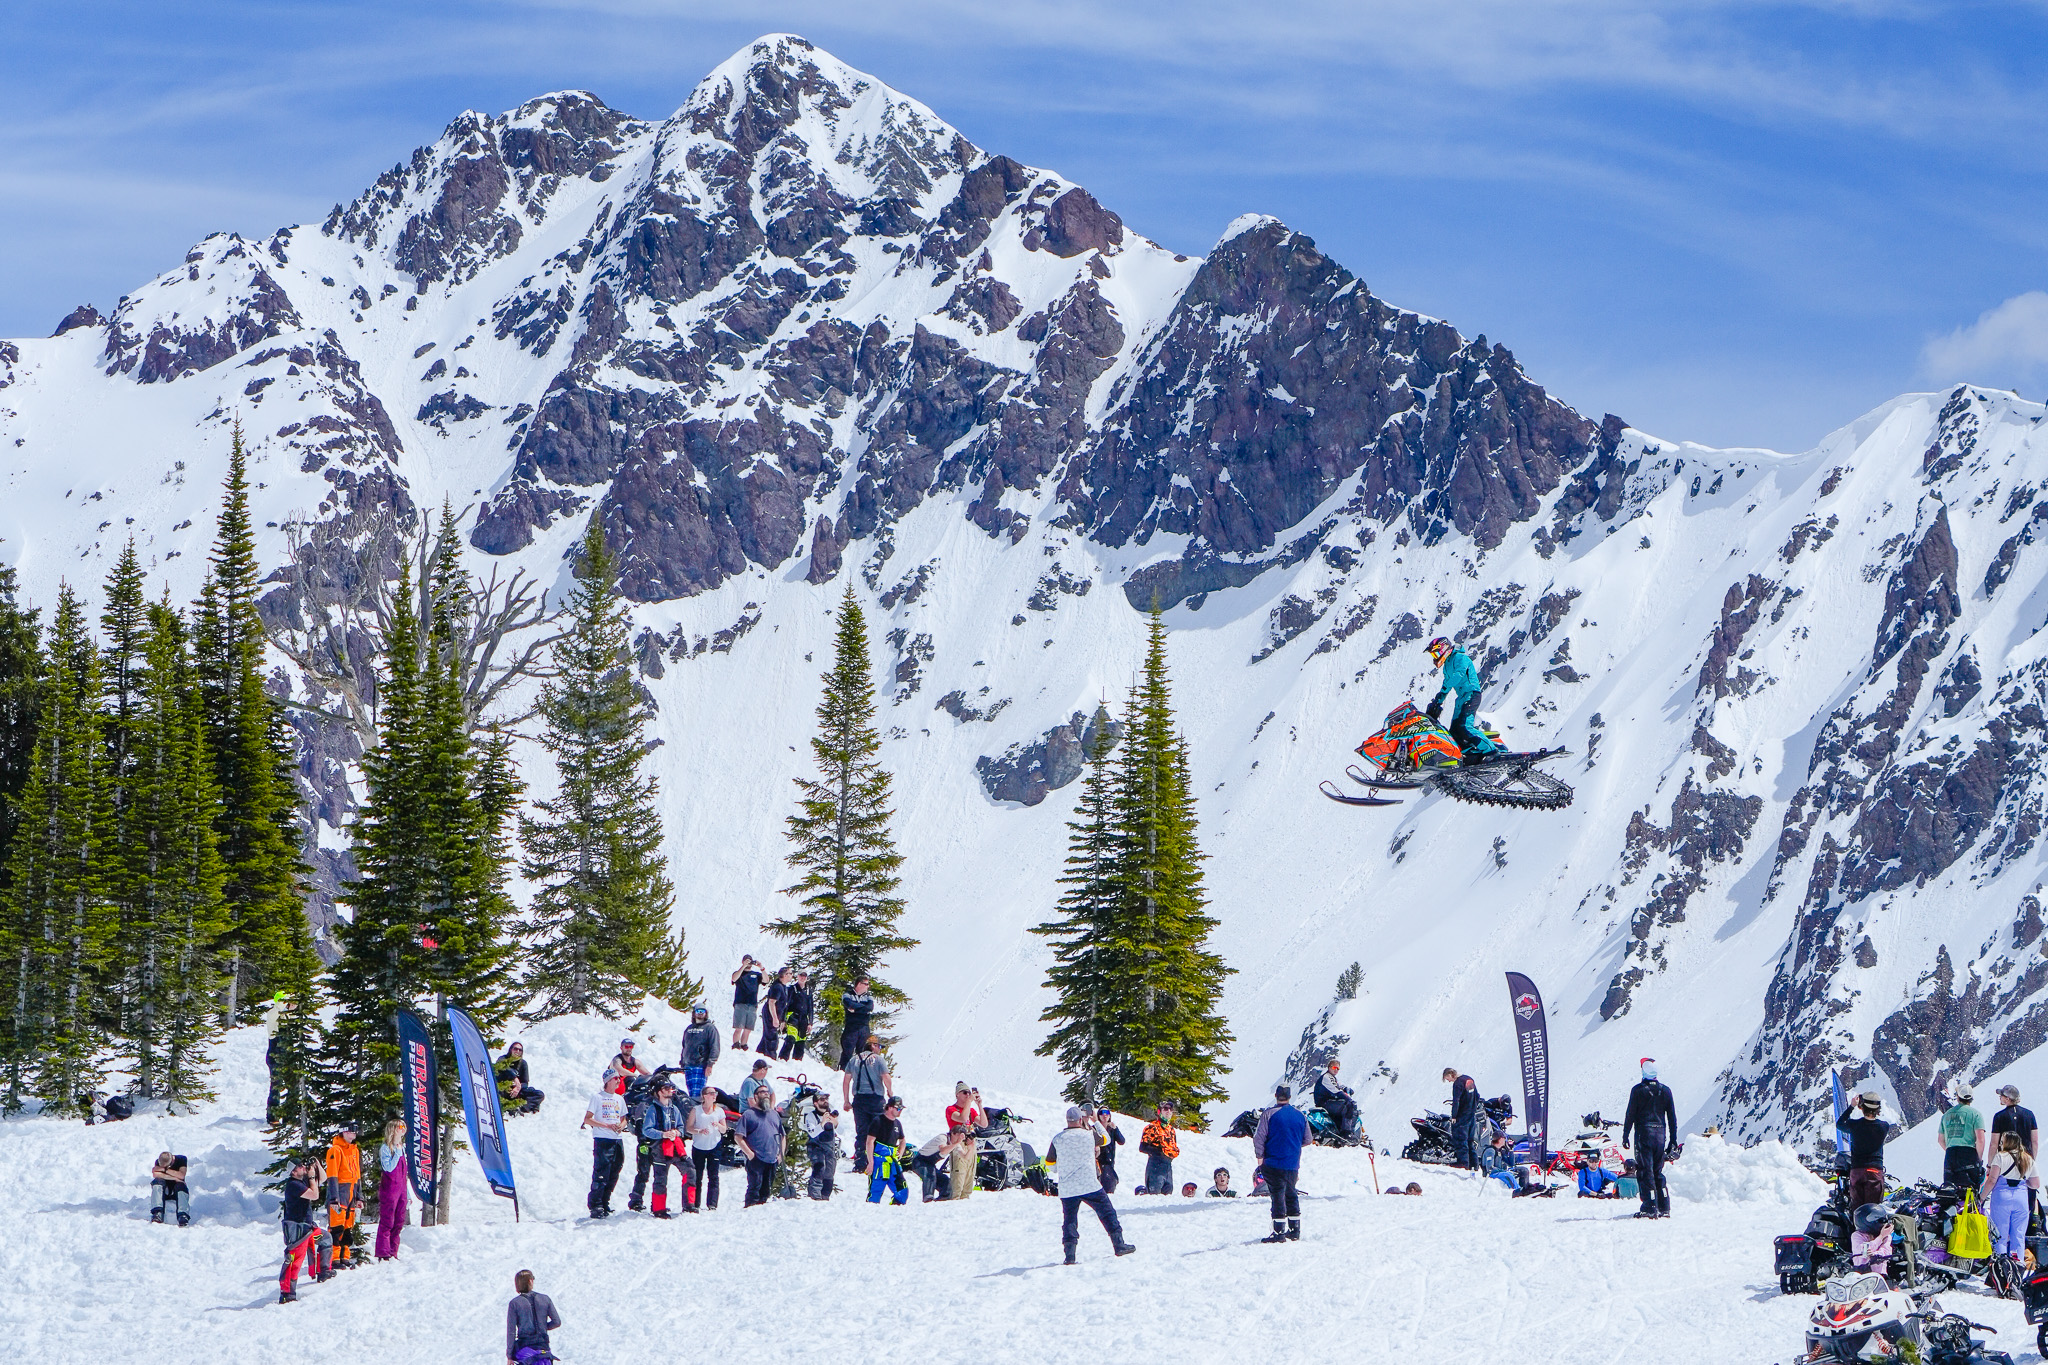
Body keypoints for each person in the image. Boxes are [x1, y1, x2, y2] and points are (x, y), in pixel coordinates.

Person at [1049, 1106, 1135, 1264]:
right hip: (1089, 1184)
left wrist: (1059, 1169)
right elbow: (1106, 1139)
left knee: (1069, 1220)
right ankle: (1119, 1245)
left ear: (1067, 1120)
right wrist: (1096, 1121)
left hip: (1068, 1188)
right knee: (1107, 1213)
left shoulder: (1057, 1139)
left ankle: (1070, 1255)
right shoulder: (1088, 1135)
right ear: (1081, 1120)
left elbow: (1050, 1163)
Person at [1425, 636, 1501, 758]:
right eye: (1434, 655)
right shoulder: (1447, 666)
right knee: (1454, 732)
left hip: (1471, 694)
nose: (1436, 658)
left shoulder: (1460, 657)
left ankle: (1492, 751)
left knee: (1465, 726)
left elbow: (1458, 675)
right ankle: (1468, 755)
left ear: (1444, 648)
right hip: (1461, 698)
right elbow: (1447, 684)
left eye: (1436, 653)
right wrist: (1438, 700)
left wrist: (1443, 691)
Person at [1621, 1058, 1677, 1219]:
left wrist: (1625, 1135)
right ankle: (1664, 1206)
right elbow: (1672, 1117)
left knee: (1645, 1171)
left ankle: (1650, 1206)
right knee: (1657, 1171)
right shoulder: (1665, 1091)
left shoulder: (1638, 1090)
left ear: (1643, 1072)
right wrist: (1673, 1140)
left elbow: (1630, 1114)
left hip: (1644, 1134)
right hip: (1661, 1135)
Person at [1254, 1084, 1308, 1243]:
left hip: (1273, 1162)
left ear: (1276, 1096)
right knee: (1291, 1193)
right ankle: (1294, 1230)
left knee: (1277, 1195)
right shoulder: (1300, 1115)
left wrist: (1260, 1156)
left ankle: (1279, 1233)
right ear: (1290, 1097)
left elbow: (1259, 1137)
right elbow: (1308, 1139)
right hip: (1292, 1163)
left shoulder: (1268, 1114)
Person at [278, 1155, 332, 1303]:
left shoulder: (301, 1181)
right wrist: (312, 1176)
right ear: (293, 1172)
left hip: (308, 1230)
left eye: (302, 1165)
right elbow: (314, 1195)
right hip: (297, 1230)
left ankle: (324, 1271)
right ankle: (287, 1293)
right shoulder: (293, 1185)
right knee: (295, 1259)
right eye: (300, 1167)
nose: (303, 1168)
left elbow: (323, 1179)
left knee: (325, 1239)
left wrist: (317, 1165)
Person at [640, 1078, 693, 1218]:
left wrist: (677, 1133)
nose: (670, 1091)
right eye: (666, 1088)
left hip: (676, 1147)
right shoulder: (652, 1109)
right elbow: (647, 1130)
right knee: (660, 1179)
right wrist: (663, 1134)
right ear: (658, 1092)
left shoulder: (674, 1109)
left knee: (689, 1170)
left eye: (670, 1088)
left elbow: (682, 1127)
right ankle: (658, 1209)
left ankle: (689, 1205)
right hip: (660, 1149)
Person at [1983, 1130, 2039, 1260]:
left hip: (2002, 1198)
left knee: (2000, 1236)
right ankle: (2017, 1266)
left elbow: (1992, 1180)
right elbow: (2036, 1184)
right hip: (2021, 1198)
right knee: (2018, 1236)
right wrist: (2024, 1183)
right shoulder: (2027, 1158)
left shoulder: (2000, 1156)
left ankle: (2001, 1267)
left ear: (2006, 1142)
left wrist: (1982, 1197)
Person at [1836, 1091, 1896, 1212]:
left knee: (1857, 1210)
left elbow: (1840, 1124)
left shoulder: (1854, 1125)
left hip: (1857, 1170)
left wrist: (1852, 1106)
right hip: (1875, 1170)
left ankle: (1856, 1230)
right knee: (1873, 1211)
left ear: (1861, 1107)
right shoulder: (1884, 1126)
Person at [1992, 1084, 2039, 1226]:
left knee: (2004, 1208)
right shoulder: (2029, 1115)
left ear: (2007, 1099)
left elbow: (1994, 1143)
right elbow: (2035, 1141)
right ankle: (2029, 1232)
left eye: (2001, 1096)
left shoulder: (1999, 1117)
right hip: (2026, 1162)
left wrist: (1990, 1165)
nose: (2000, 1098)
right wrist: (2031, 1161)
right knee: (2028, 1200)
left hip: (2004, 1163)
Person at [844, 1037, 893, 1174]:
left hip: (859, 1100)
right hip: (876, 1100)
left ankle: (860, 1163)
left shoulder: (854, 1059)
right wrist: (890, 1092)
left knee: (862, 1132)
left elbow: (846, 1080)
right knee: (879, 1131)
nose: (880, 1050)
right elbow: (886, 1077)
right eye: (879, 1047)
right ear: (873, 1045)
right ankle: (879, 1163)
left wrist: (846, 1100)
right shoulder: (878, 1060)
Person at [581, 1076, 628, 1219]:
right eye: (615, 1078)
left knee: (615, 1169)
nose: (618, 1081)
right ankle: (596, 1204)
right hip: (602, 1138)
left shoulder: (620, 1099)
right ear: (607, 1081)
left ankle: (605, 1201)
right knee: (601, 1171)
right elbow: (587, 1118)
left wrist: (621, 1125)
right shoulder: (598, 1097)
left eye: (619, 1079)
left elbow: (624, 1118)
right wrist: (607, 1125)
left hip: (617, 1138)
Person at [737, 1084, 783, 1208]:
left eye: (767, 1092)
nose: (766, 1094)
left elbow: (782, 1136)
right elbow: (738, 1137)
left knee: (766, 1191)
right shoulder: (749, 1114)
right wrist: (750, 1154)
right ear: (756, 1096)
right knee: (754, 1189)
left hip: (772, 1158)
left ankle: (760, 1215)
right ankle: (749, 1212)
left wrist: (781, 1154)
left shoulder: (774, 1114)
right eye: (762, 1092)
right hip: (756, 1159)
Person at [324, 1125, 363, 1268]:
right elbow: (332, 1175)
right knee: (336, 1227)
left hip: (351, 1192)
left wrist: (359, 1197)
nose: (353, 1133)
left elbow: (357, 1175)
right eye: (350, 1131)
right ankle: (333, 1259)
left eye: (354, 1131)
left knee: (348, 1226)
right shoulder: (335, 1150)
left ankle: (344, 1257)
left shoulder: (354, 1150)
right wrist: (334, 1198)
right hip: (339, 1192)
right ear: (343, 1132)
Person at [686, 1084, 728, 1212]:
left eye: (715, 1093)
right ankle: (695, 1203)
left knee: (713, 1176)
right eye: (710, 1093)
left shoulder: (719, 1111)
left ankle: (712, 1203)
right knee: (697, 1176)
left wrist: (718, 1126)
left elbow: (724, 1129)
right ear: (704, 1096)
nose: (713, 1095)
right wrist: (699, 1131)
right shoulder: (696, 1110)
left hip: (714, 1145)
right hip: (699, 1146)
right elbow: (688, 1128)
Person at [1938, 1082, 1988, 1192]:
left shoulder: (1946, 1115)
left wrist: (1950, 1149)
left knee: (1950, 1191)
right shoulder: (1976, 1114)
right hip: (1969, 1154)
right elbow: (1980, 1139)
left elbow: (1941, 1140)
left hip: (1950, 1155)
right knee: (1970, 1192)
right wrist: (1978, 1158)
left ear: (1958, 1097)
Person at [506, 1268, 560, 1365]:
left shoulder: (514, 1303)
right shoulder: (545, 1299)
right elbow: (557, 1322)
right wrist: (542, 1326)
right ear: (530, 1281)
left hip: (525, 1348)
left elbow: (511, 1332)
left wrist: (509, 1356)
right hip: (543, 1347)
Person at [866, 1096, 911, 1204]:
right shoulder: (878, 1120)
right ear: (890, 1108)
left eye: (901, 1109)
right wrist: (870, 1162)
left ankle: (895, 1210)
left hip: (892, 1161)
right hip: (879, 1162)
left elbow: (903, 1140)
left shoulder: (898, 1123)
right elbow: (869, 1142)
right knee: (875, 1192)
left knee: (902, 1190)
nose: (900, 1111)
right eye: (898, 1109)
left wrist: (900, 1152)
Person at [376, 1120, 409, 1255]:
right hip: (390, 1189)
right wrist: (397, 1152)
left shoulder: (402, 1146)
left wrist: (407, 1194)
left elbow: (403, 1173)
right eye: (399, 1127)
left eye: (403, 1127)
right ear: (393, 1130)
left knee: (399, 1221)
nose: (402, 1129)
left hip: (401, 1189)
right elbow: (388, 1167)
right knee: (387, 1220)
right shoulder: (386, 1148)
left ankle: (393, 1251)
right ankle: (383, 1252)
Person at [678, 1005, 721, 1103]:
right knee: (691, 1094)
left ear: (706, 1013)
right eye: (698, 1011)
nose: (700, 1013)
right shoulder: (689, 1029)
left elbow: (715, 1047)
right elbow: (684, 1046)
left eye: (702, 1011)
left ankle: (698, 1114)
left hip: (700, 1065)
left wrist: (710, 1064)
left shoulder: (710, 1028)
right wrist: (682, 1063)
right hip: (688, 1066)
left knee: (698, 1094)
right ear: (694, 1013)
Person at [914, 1126, 969, 1202]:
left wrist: (972, 1145)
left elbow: (965, 1156)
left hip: (930, 1164)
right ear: (953, 1133)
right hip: (919, 1161)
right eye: (959, 1135)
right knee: (930, 1175)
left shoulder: (955, 1144)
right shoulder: (942, 1138)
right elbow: (943, 1150)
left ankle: (943, 1199)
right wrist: (957, 1143)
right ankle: (928, 1198)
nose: (960, 1138)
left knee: (945, 1180)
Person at [802, 1090, 839, 1200]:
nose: (825, 1101)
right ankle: (815, 1195)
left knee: (829, 1172)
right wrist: (822, 1123)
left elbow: (842, 1131)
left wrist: (835, 1122)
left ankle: (825, 1196)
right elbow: (812, 1133)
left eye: (826, 1099)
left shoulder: (832, 1114)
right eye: (822, 1100)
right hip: (816, 1146)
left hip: (829, 1147)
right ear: (815, 1103)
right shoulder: (811, 1116)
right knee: (819, 1167)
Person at [1138, 1102, 1180, 1194]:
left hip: (1168, 1167)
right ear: (1159, 1111)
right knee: (1154, 1196)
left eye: (1170, 1109)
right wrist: (1159, 1151)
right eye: (1165, 1109)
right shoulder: (1151, 1127)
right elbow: (1142, 1147)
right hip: (1155, 1166)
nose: (1168, 1111)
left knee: (1167, 1197)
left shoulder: (1171, 1130)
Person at [1444, 1067, 1481, 1169]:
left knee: (1461, 1139)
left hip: (1462, 1115)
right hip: (1471, 1114)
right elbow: (1477, 1096)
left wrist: (1454, 1116)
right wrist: (1473, 1108)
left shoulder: (1458, 1084)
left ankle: (1463, 1163)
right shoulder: (1469, 1079)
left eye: (1448, 1079)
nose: (1449, 1081)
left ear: (1451, 1074)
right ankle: (1474, 1164)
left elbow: (1456, 1101)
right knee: (1470, 1140)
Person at [1313, 1060, 1359, 1138]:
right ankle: (1346, 1133)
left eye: (1338, 1068)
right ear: (1329, 1067)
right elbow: (1336, 1091)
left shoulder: (1332, 1078)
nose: (1336, 1070)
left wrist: (1347, 1089)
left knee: (1346, 1106)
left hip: (1328, 1102)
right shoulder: (1326, 1077)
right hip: (1324, 1103)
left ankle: (1339, 1129)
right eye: (1334, 1067)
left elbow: (1340, 1085)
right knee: (1349, 1105)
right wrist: (1348, 1099)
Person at [496, 1042, 544, 1115]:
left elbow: (525, 1082)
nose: (517, 1051)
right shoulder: (503, 1059)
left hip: (517, 1092)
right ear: (511, 1049)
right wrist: (515, 1078)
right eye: (515, 1049)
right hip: (503, 1090)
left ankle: (521, 1108)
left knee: (539, 1094)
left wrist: (517, 1088)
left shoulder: (523, 1063)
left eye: (520, 1050)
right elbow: (503, 1067)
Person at [731, 955, 766, 1052]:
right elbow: (734, 979)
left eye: (750, 961)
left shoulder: (756, 974)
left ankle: (744, 1044)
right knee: (739, 1027)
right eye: (746, 961)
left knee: (748, 1028)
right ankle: (735, 1043)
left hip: (752, 1004)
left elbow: (766, 980)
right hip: (740, 1003)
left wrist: (761, 967)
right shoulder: (739, 973)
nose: (748, 963)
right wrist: (743, 967)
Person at [839, 977, 876, 1066]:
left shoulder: (868, 996)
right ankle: (843, 1072)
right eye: (866, 984)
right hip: (851, 1027)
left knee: (863, 1053)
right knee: (847, 1052)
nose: (868, 986)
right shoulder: (848, 994)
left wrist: (855, 1010)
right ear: (859, 984)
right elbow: (849, 1004)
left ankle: (861, 1073)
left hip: (864, 1027)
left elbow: (870, 1007)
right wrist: (863, 1009)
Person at [149, 1152, 191, 1226]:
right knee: (157, 1182)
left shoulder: (181, 1159)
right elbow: (156, 1174)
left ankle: (182, 1214)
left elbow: (181, 1175)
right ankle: (157, 1212)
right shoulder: (158, 1161)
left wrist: (164, 1171)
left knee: (180, 1185)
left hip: (176, 1190)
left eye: (166, 1166)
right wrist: (174, 1177)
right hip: (164, 1190)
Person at [1850, 1204, 1893, 1275]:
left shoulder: (1887, 1236)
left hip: (1879, 1275)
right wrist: (1880, 1237)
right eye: (1881, 1220)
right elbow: (1863, 1251)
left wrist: (1875, 1254)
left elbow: (1887, 1251)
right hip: (1861, 1274)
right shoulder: (1857, 1235)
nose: (1884, 1223)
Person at [780, 970, 814, 1061]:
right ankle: (783, 1058)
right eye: (801, 976)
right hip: (793, 1016)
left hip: (803, 1019)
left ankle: (797, 1061)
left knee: (801, 1041)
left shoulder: (808, 991)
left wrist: (810, 1022)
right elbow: (785, 1005)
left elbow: (811, 1008)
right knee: (791, 1038)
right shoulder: (792, 989)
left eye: (805, 976)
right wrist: (783, 1020)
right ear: (797, 977)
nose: (803, 978)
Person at [761, 966, 792, 1058]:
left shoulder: (783, 987)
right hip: (770, 1013)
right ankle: (771, 1056)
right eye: (790, 973)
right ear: (785, 975)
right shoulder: (777, 987)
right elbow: (771, 1002)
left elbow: (783, 1005)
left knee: (768, 1035)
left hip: (777, 1014)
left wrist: (782, 1020)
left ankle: (760, 1053)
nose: (792, 975)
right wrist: (774, 1018)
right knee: (772, 1036)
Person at [1093, 1105, 1125, 1194]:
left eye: (1107, 1113)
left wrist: (1116, 1129)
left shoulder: (1112, 1129)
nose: (1105, 1115)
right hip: (1098, 1161)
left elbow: (1122, 1141)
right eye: (1102, 1113)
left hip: (1110, 1162)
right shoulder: (1094, 1129)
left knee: (1110, 1183)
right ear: (1098, 1116)